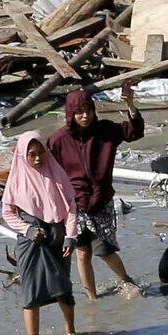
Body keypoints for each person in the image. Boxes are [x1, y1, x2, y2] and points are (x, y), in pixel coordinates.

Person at [47, 84, 144, 299]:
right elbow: (48, 174)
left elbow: (134, 131)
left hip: (102, 203)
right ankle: (92, 299)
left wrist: (130, 104)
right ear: (70, 114)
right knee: (82, 253)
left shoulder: (106, 131)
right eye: (79, 112)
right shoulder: (58, 141)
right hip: (75, 206)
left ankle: (127, 282)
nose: (84, 116)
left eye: (88, 111)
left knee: (106, 250)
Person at [2, 131, 79, 335]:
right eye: (31, 155)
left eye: (41, 153)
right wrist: (27, 229)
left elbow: (71, 207)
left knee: (63, 288)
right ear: (22, 156)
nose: (37, 159)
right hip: (31, 240)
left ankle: (71, 332)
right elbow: (8, 212)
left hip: (58, 236)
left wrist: (71, 235)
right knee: (31, 295)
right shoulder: (16, 179)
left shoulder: (56, 173)